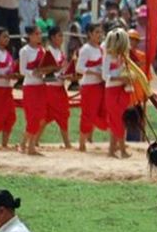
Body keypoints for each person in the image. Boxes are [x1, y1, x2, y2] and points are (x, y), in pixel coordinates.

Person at [76, 24, 107, 152]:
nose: (99, 35)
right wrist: (94, 72)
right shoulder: (85, 49)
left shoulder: (100, 49)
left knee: (101, 113)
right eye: (96, 32)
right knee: (88, 114)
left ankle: (90, 138)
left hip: (100, 85)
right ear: (89, 34)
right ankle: (81, 143)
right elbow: (79, 68)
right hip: (89, 86)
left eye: (100, 32)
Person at [102, 29, 132, 159]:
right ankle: (121, 150)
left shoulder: (124, 57)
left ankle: (111, 150)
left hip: (122, 90)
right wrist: (121, 78)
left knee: (119, 120)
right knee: (117, 120)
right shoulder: (108, 57)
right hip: (112, 91)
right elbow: (105, 76)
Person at [18, 26, 48, 156]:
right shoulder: (25, 51)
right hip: (30, 86)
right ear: (30, 35)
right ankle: (30, 146)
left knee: (41, 117)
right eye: (36, 34)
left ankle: (24, 142)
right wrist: (33, 72)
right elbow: (22, 70)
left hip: (41, 86)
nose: (39, 36)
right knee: (33, 117)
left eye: (40, 34)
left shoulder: (43, 50)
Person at [41, 27, 72, 150]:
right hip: (51, 87)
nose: (61, 38)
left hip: (60, 86)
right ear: (52, 37)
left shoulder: (60, 52)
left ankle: (34, 139)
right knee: (62, 113)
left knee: (48, 116)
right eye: (59, 36)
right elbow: (44, 70)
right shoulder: (47, 52)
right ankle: (67, 143)